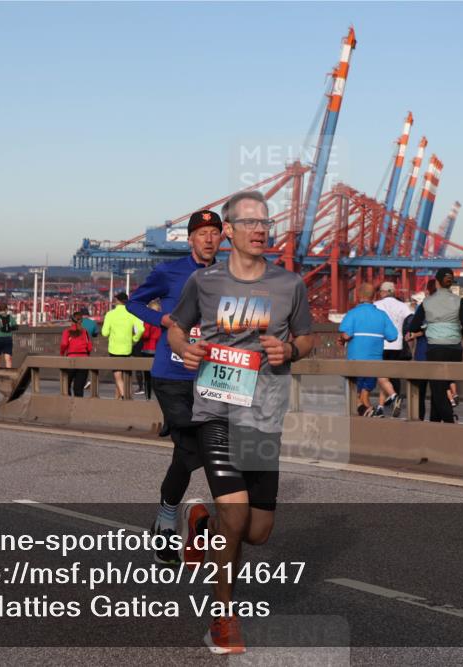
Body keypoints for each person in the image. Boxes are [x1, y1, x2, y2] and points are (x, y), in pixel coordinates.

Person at [168, 191, 314, 654]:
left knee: (257, 531)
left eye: (265, 222)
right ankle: (222, 617)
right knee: (235, 510)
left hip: (264, 414)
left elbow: (308, 337)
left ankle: (200, 522)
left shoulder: (290, 285)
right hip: (217, 407)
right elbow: (176, 324)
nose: (259, 229)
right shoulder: (204, 281)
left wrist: (290, 350)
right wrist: (183, 346)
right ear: (227, 231)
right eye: (248, 222)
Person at [127, 209, 222, 566]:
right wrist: (162, 319)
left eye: (215, 233)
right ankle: (172, 518)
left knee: (198, 450)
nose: (209, 239)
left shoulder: (228, 274)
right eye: (202, 233)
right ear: (191, 239)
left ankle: (179, 517)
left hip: (211, 375)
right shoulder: (169, 271)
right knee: (190, 441)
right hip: (172, 373)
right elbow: (135, 303)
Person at [339, 283, 398, 417]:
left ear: (358, 295)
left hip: (356, 362)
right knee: (365, 394)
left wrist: (343, 339)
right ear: (374, 296)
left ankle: (366, 414)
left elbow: (346, 335)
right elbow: (392, 336)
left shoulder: (353, 314)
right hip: (374, 364)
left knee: (353, 394)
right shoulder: (382, 315)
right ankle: (371, 414)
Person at [422, 268, 463, 423]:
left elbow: (414, 325)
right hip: (455, 350)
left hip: (435, 349)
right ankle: (435, 426)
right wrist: (456, 335)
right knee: (443, 387)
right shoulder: (459, 301)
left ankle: (450, 424)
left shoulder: (427, 302)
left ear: (436, 282)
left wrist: (425, 329)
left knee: (437, 391)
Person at [373, 281, 412, 416]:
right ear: (394, 292)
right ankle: (380, 406)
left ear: (383, 292)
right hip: (397, 345)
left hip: (381, 344)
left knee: (381, 376)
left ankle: (393, 397)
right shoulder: (402, 306)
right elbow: (410, 321)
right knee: (387, 375)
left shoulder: (377, 305)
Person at [404, 277, 438, 420]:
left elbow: (419, 326)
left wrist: (414, 334)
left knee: (420, 391)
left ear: (427, 291)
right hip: (438, 353)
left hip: (423, 353)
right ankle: (436, 421)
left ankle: (419, 419)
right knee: (437, 391)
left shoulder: (423, 306)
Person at [102, 292, 144, 400]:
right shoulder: (131, 314)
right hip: (127, 348)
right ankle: (117, 400)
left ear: (116, 301)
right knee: (124, 376)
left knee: (117, 376)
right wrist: (134, 339)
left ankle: (125, 396)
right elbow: (141, 329)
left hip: (114, 348)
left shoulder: (110, 314)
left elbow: (104, 333)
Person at [60, 312, 93, 397]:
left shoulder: (67, 331)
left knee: (66, 386)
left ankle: (68, 404)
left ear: (71, 320)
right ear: (81, 321)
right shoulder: (84, 332)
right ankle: (79, 407)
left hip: (71, 360)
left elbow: (64, 344)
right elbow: (89, 347)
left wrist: (62, 353)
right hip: (83, 361)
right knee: (78, 389)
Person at [137, 301, 163, 399]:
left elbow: (146, 335)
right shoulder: (161, 319)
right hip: (159, 349)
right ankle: (158, 395)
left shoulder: (148, 320)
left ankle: (148, 396)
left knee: (147, 376)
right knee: (157, 374)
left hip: (148, 349)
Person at [0, 304, 18, 368]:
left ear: (0, 310)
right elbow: (15, 326)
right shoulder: (10, 317)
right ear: (6, 309)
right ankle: (8, 374)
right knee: (8, 359)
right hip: (8, 338)